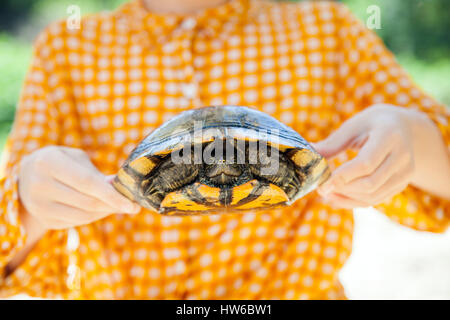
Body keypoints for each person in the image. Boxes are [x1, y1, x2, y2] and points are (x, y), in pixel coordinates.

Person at [0, 0, 449, 299]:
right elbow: (10, 259)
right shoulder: (66, 49)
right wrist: (30, 199)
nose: (218, 161)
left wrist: (413, 139)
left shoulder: (326, 30)